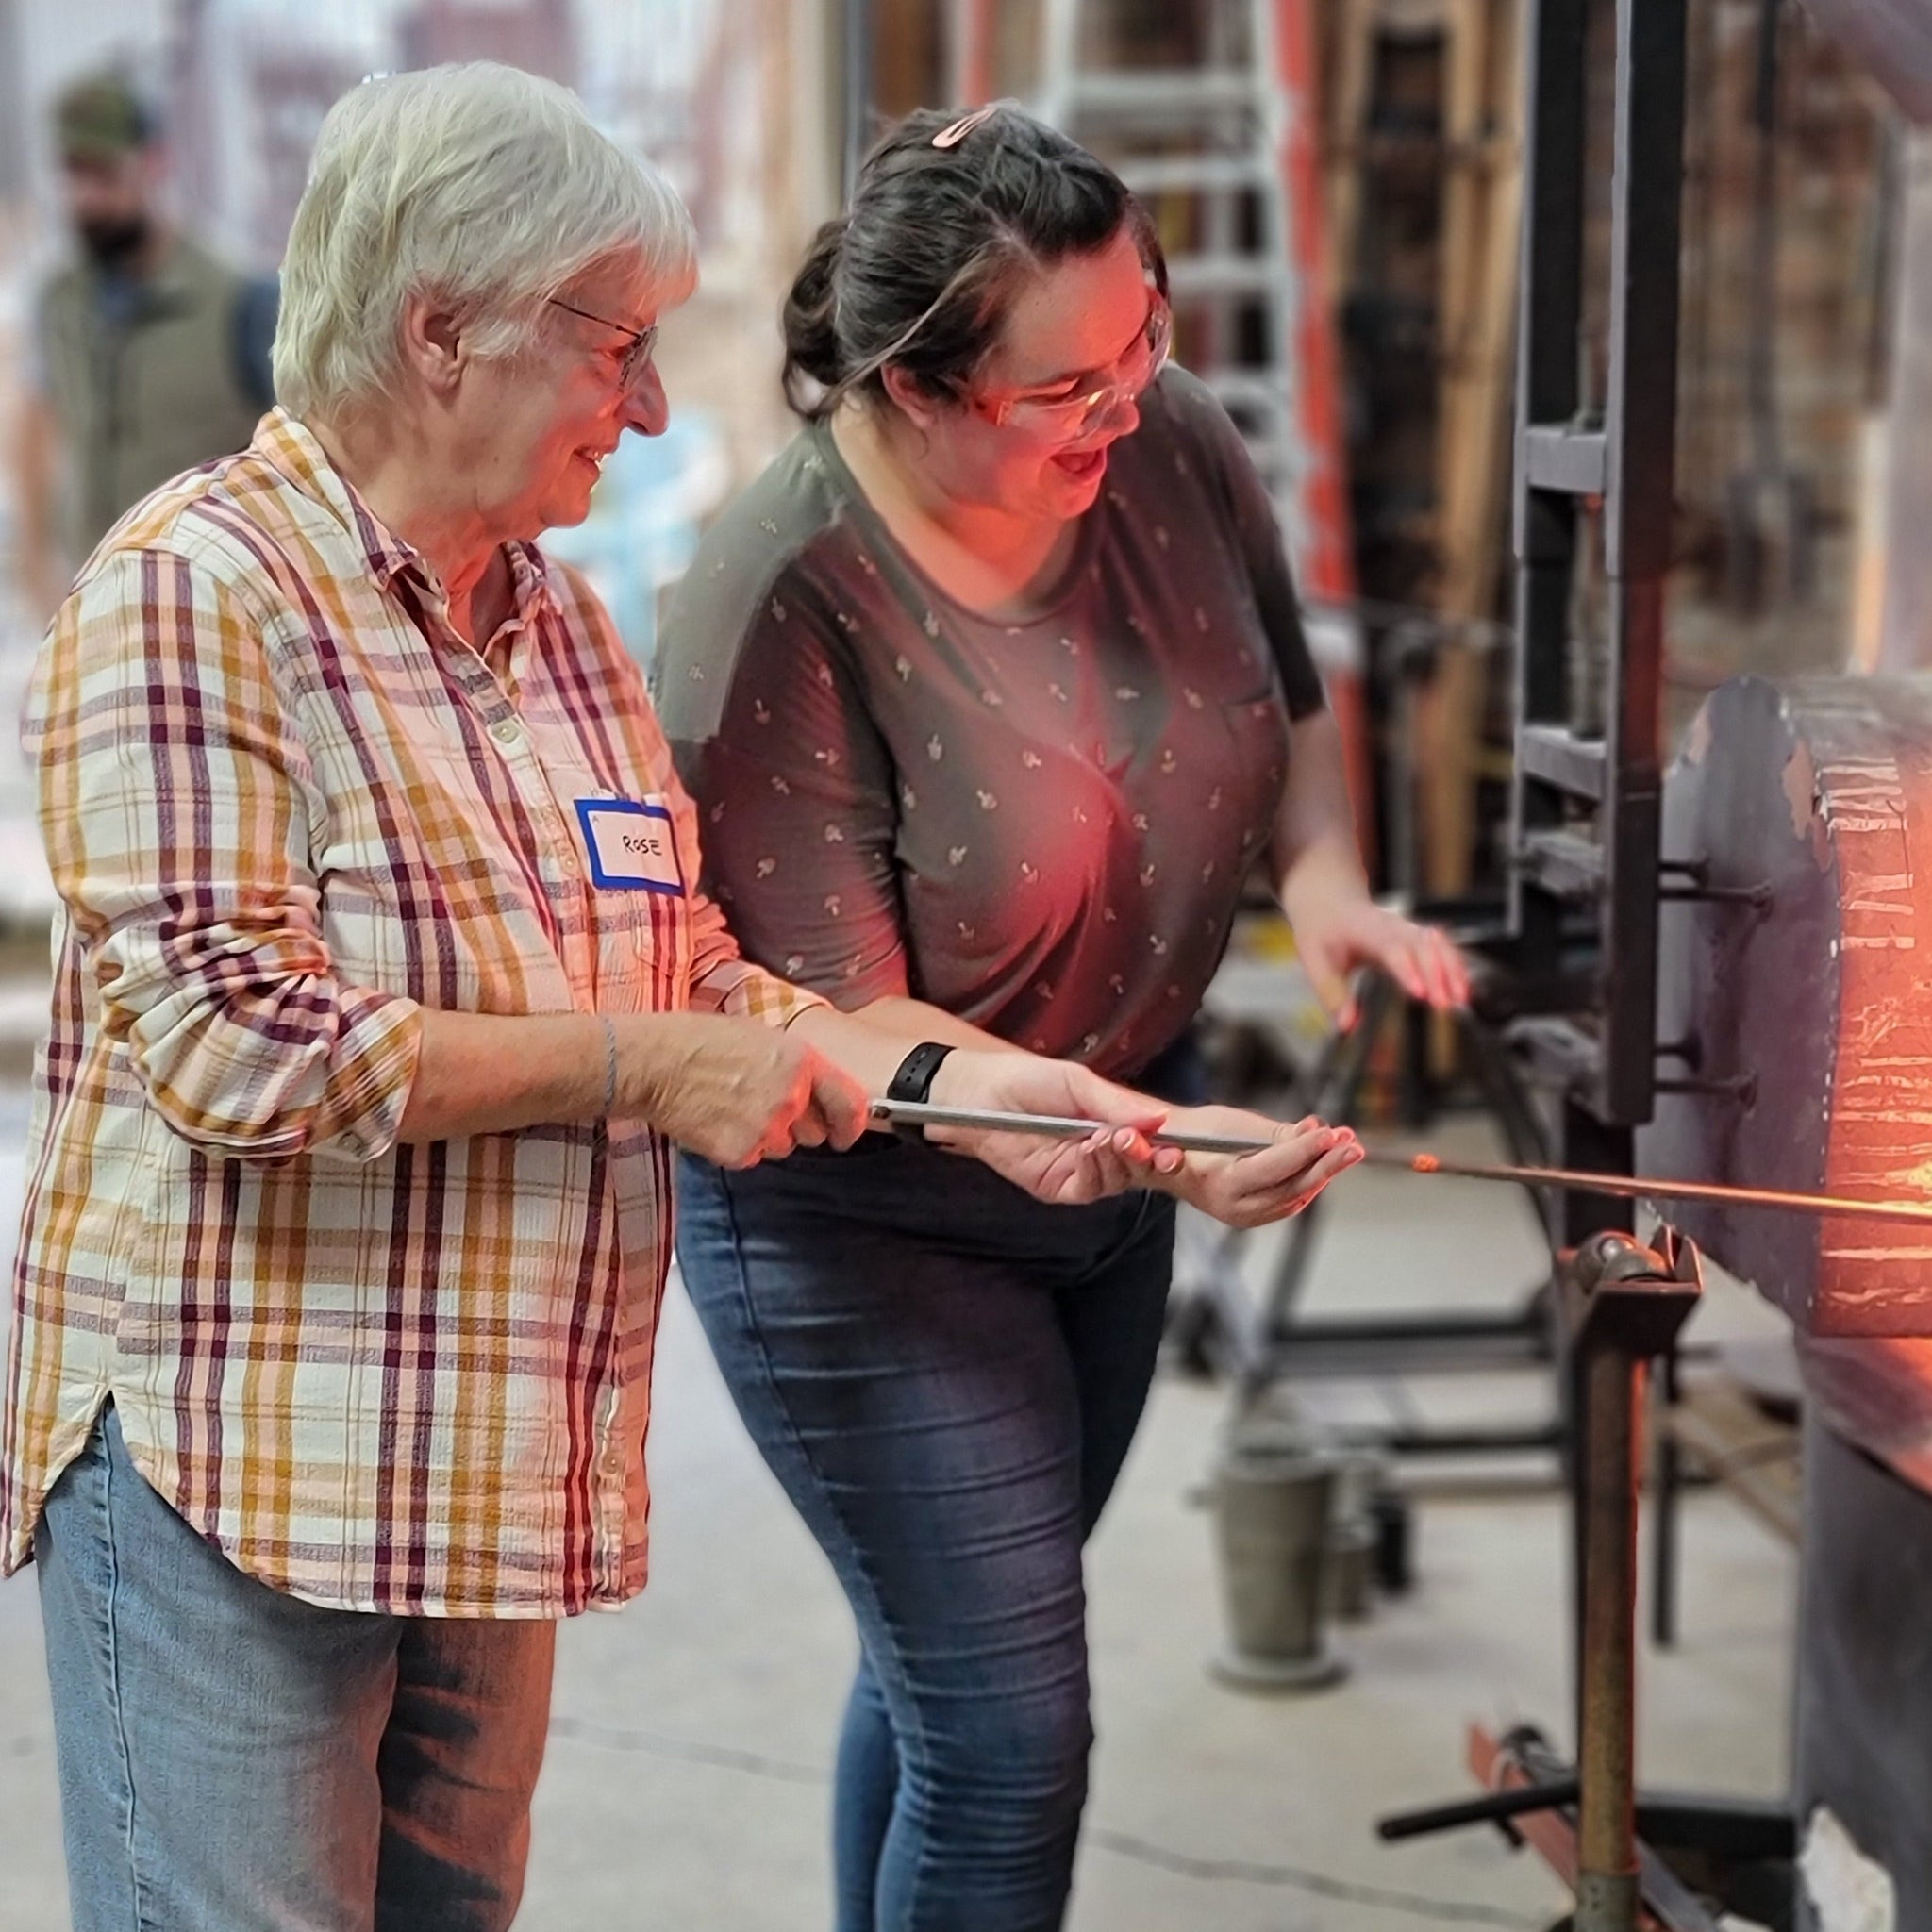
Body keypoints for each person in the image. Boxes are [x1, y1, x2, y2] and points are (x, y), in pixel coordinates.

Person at [0, 65, 1354, 1932]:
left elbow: (709, 971)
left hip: (468, 1477)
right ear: (443, 334)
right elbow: (244, 1045)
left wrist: (1017, 1100)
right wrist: (657, 1065)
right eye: (617, 349)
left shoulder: (547, 632)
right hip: (245, 1474)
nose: (648, 408)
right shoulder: (195, 598)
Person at [652, 102, 1469, 1932]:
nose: (1132, 398)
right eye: (1069, 382)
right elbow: (836, 1023)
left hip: (1106, 1157)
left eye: (1147, 334)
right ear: (926, 390)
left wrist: (1322, 887)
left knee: (953, 1676)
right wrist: (1134, 1131)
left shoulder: (1165, 443)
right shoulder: (774, 598)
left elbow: (1282, 696)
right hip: (861, 1215)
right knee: (1011, 1735)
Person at [12, 67, 279, 625]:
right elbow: (37, 428)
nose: (88, 197)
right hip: (96, 615)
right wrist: (37, 567)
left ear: (155, 162)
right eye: (74, 175)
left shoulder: (240, 301)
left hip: (212, 621)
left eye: (105, 174)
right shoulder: (59, 302)